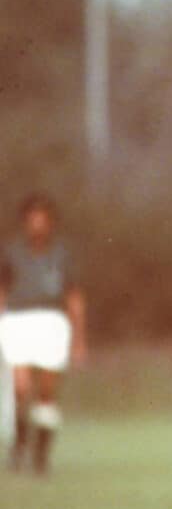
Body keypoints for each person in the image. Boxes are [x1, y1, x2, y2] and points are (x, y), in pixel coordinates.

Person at [0, 193, 87, 476]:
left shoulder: (61, 255)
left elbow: (74, 297)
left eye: (43, 220)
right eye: (32, 220)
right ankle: (19, 443)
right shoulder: (11, 253)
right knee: (20, 387)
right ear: (25, 222)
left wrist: (79, 338)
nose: (37, 225)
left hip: (51, 322)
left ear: (50, 223)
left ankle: (40, 455)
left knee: (47, 392)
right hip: (18, 320)